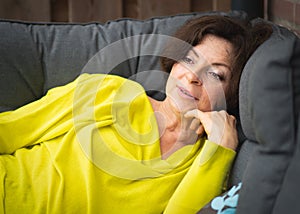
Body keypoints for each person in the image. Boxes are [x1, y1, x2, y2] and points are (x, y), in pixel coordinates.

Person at [0, 15, 272, 213]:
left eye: (215, 74)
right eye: (188, 59)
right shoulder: (109, 90)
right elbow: (10, 130)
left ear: (233, 92)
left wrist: (220, 149)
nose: (191, 77)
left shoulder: (204, 161)